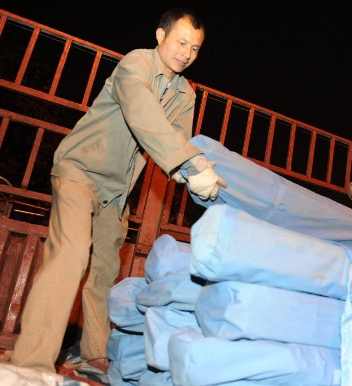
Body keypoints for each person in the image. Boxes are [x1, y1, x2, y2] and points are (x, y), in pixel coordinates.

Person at [11, 7, 226, 379]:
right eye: (181, 42)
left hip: (115, 191)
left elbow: (175, 140)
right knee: (72, 253)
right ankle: (30, 363)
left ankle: (93, 353)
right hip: (80, 170)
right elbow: (144, 115)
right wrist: (191, 164)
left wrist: (199, 173)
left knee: (105, 270)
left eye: (194, 48)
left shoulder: (184, 95)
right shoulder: (135, 65)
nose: (186, 53)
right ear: (160, 36)